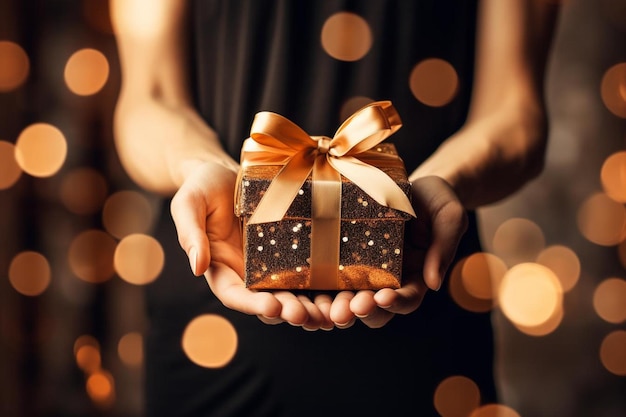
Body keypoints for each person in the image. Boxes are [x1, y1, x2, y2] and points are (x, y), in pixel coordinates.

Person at [111, 0, 559, 415]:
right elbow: (149, 98)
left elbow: (515, 112)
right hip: (213, 308)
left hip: (422, 290)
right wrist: (203, 168)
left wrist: (435, 185)